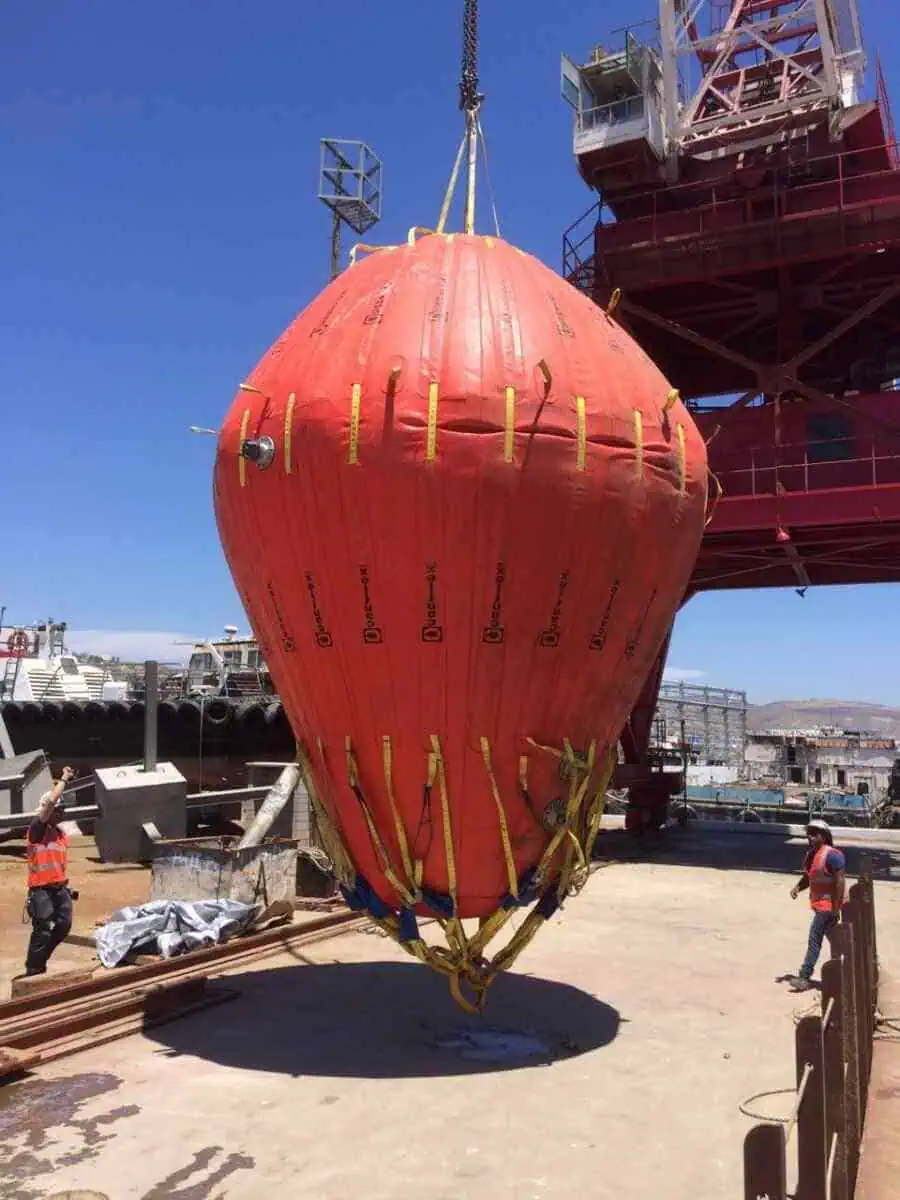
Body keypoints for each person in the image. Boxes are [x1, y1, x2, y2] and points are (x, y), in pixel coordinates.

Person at [23, 765, 76, 976]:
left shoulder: (61, 834)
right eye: (58, 810)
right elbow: (51, 802)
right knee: (43, 928)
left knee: (64, 925)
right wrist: (64, 779)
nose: (61, 813)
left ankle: (40, 959)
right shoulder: (37, 829)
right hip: (41, 890)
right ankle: (34, 968)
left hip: (60, 889)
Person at [787, 818, 846, 992]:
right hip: (821, 906)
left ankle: (804, 977)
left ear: (824, 836)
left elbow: (840, 881)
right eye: (808, 834)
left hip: (828, 907)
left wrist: (836, 907)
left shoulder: (833, 855)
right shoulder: (812, 855)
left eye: (814, 834)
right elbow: (810, 876)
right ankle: (850, 967)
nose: (810, 837)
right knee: (836, 940)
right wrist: (798, 887)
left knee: (814, 939)